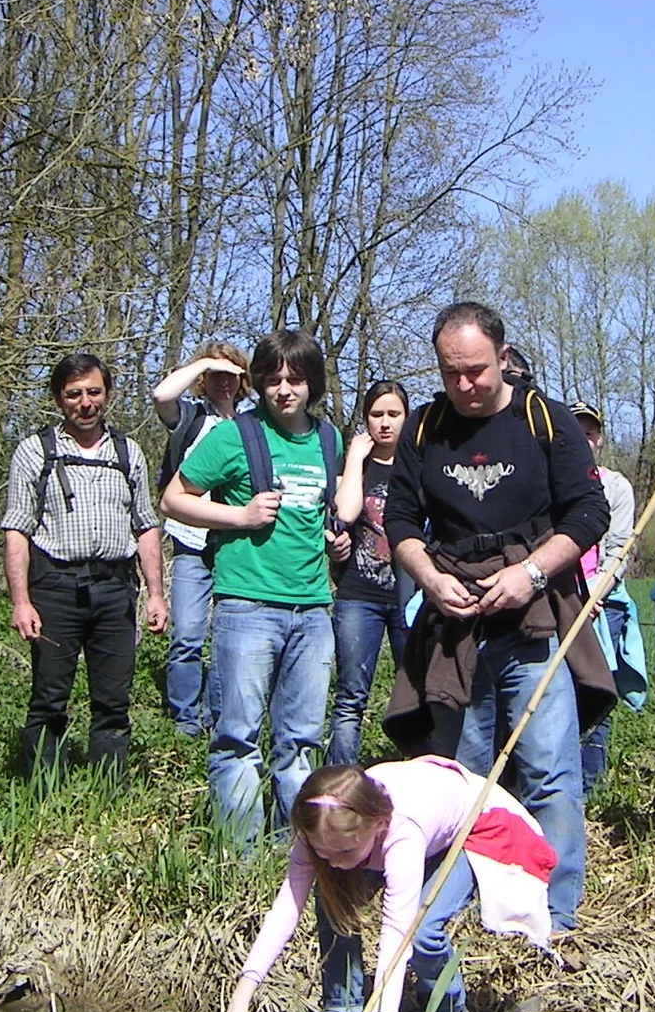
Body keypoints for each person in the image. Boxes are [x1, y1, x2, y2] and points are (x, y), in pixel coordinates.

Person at [383, 301, 613, 941]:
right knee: (462, 774)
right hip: (455, 628)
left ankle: (556, 919)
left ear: (503, 358)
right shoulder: (425, 429)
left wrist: (531, 574)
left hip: (534, 617)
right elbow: (399, 521)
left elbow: (590, 514)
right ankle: (458, 906)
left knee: (549, 768)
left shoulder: (547, 420)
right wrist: (429, 578)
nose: (464, 385)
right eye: (451, 372)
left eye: (476, 371)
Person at [209, 758, 555, 1012]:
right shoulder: (320, 826)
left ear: (375, 826)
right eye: (322, 852)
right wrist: (241, 1001)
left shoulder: (401, 830)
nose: (332, 861)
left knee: (423, 929)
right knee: (332, 901)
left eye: (343, 851)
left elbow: (397, 935)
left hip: (471, 826)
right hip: (408, 827)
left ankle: (447, 1011)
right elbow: (286, 908)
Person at [162, 331, 347, 848]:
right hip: (247, 606)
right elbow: (174, 499)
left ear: (313, 383)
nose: (283, 390)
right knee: (237, 739)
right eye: (272, 380)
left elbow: (319, 515)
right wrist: (238, 516)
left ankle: (296, 856)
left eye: (295, 379)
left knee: (301, 742)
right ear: (258, 384)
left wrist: (336, 546)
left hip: (313, 610)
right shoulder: (234, 436)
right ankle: (242, 858)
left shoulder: (328, 439)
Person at [2, 353, 169, 780]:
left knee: (113, 701)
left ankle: (106, 795)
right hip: (55, 587)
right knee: (49, 697)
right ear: (60, 399)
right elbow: (17, 530)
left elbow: (146, 525)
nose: (85, 402)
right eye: (74, 394)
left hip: (114, 590)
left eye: (94, 392)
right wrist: (21, 602)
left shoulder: (127, 453)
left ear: (106, 394)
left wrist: (155, 594)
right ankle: (44, 794)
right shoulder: (35, 452)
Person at [151, 343, 252, 736]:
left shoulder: (251, 426)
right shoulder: (190, 418)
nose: (224, 383)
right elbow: (162, 395)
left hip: (234, 542)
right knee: (188, 635)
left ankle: (220, 717)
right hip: (191, 539)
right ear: (203, 379)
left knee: (228, 637)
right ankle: (185, 721)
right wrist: (206, 362)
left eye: (233, 375)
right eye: (216, 375)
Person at [326, 381, 412, 769]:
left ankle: (419, 771)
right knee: (350, 696)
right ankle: (342, 778)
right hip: (358, 595)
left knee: (417, 691)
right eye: (377, 415)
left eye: (394, 414)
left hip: (410, 598)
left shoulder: (418, 466)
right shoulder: (356, 467)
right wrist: (356, 460)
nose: (385, 423)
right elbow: (344, 515)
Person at [569, 402, 646, 790]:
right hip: (562, 597)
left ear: (598, 438)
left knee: (600, 683)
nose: (584, 439)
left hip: (604, 599)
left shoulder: (615, 486)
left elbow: (620, 546)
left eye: (590, 432)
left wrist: (597, 589)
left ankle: (591, 777)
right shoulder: (552, 481)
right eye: (575, 431)